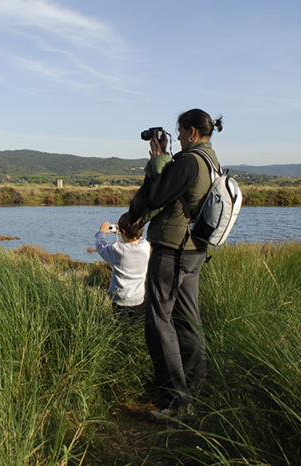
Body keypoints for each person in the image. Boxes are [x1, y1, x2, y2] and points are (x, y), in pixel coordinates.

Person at [126, 108, 223, 421]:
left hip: (172, 250)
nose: (178, 138)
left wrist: (157, 162)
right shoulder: (211, 160)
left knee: (160, 322)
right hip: (194, 251)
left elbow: (155, 197)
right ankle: (193, 392)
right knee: (187, 321)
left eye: (180, 133)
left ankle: (177, 401)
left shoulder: (188, 161)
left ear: (191, 132)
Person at [95, 212, 150, 318]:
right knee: (134, 325)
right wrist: (125, 232)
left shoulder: (118, 249)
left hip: (120, 298)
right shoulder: (145, 246)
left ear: (122, 231)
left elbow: (101, 246)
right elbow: (137, 240)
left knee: (120, 328)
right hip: (138, 298)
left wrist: (101, 233)